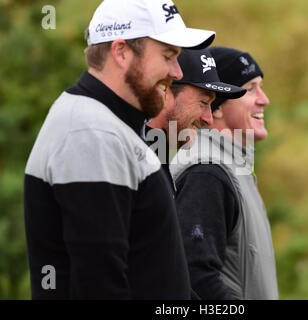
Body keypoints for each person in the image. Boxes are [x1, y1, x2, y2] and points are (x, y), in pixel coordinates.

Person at [23, 0, 215, 299]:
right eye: (168, 56)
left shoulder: (110, 126)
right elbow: (99, 286)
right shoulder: (91, 133)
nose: (177, 72)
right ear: (121, 52)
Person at [170, 46, 279, 299]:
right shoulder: (206, 172)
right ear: (216, 105)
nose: (264, 99)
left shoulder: (231, 167)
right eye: (250, 89)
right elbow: (196, 278)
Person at [147, 48, 246, 192]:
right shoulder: (132, 159)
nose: (208, 119)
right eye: (204, 102)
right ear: (165, 92)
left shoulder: (155, 158)